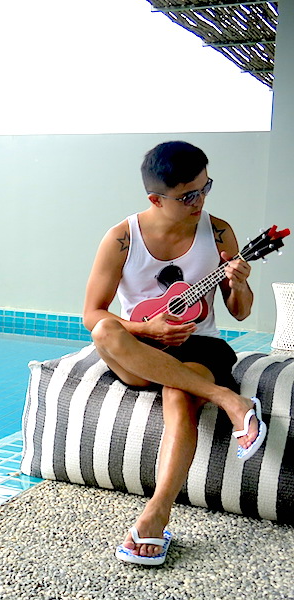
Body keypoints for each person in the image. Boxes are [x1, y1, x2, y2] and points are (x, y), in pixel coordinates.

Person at [82, 140, 267, 566]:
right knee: (106, 331)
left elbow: (240, 313)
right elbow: (92, 314)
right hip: (137, 345)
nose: (199, 201)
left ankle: (155, 515)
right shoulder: (121, 238)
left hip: (199, 344)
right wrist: (146, 327)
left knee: (179, 397)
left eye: (205, 188)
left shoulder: (219, 232)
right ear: (155, 198)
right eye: (188, 196)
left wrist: (238, 282)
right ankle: (229, 400)